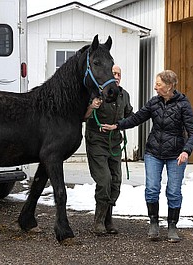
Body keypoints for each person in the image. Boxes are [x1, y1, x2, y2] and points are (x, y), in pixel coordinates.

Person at [101, 70, 193, 242]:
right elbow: (137, 118)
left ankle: (172, 226)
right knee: (152, 189)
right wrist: (116, 126)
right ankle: (153, 223)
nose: (155, 87)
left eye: (159, 84)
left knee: (174, 192)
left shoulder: (183, 104)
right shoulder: (154, 103)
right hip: (153, 152)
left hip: (176, 155)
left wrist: (186, 151)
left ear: (169, 87)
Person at [84, 65, 133, 235]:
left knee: (116, 182)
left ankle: (108, 218)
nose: (117, 76)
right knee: (104, 181)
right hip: (97, 142)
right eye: (114, 73)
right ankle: (98, 222)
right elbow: (83, 117)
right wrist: (92, 107)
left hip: (115, 144)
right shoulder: (96, 94)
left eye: (119, 74)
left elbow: (130, 117)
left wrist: (120, 125)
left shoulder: (124, 95)